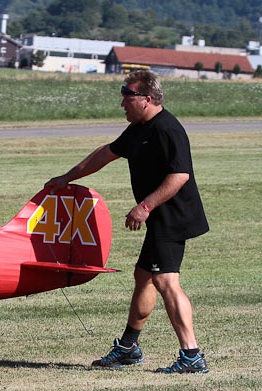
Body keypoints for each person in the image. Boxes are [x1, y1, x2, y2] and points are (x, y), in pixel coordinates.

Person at [46, 70, 210, 374]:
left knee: (165, 281)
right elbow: (105, 154)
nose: (122, 102)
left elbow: (180, 175)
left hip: (172, 217)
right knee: (144, 275)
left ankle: (192, 356)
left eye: (128, 96)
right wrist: (66, 177)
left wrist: (145, 206)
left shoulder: (167, 129)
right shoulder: (138, 129)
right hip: (161, 216)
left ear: (146, 100)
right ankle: (128, 348)